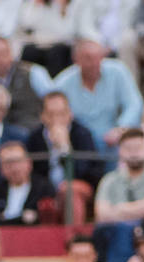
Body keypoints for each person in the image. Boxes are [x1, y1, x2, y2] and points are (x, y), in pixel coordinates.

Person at [55, 38, 144, 152]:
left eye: (99, 57)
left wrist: (121, 128)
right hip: (78, 144)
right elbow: (53, 109)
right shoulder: (63, 83)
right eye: (88, 58)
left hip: (113, 142)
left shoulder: (118, 71)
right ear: (76, 60)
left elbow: (134, 104)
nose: (95, 63)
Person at [95, 128, 144, 262]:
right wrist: (140, 209)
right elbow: (102, 214)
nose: (134, 153)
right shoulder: (110, 179)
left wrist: (121, 209)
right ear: (120, 151)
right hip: (116, 237)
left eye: (138, 148)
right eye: (128, 149)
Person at [27, 91, 104, 220]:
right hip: (46, 187)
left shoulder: (82, 134)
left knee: (69, 190)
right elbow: (33, 171)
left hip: (78, 186)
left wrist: (65, 148)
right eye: (51, 114)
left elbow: (83, 171)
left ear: (70, 114)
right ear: (43, 116)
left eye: (61, 113)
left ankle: (73, 236)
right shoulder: (35, 137)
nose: (57, 119)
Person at [0, 35, 53, 131]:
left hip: (31, 132)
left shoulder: (33, 72)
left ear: (11, 53)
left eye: (3, 53)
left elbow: (53, 102)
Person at [0, 140, 57, 225]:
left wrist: (7, 218)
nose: (14, 168)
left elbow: (45, 218)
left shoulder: (44, 187)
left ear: (29, 163)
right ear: (1, 168)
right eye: (8, 163)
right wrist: (22, 218)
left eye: (18, 161)